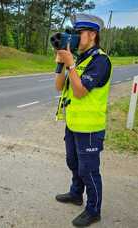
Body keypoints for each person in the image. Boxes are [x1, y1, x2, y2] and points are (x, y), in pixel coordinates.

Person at [54, 14, 112, 227]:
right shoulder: (80, 59)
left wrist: (70, 66)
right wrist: (61, 64)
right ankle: (76, 194)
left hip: (90, 128)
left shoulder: (100, 61)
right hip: (73, 123)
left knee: (88, 170)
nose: (75, 37)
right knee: (73, 163)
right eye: (74, 33)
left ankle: (94, 210)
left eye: (79, 33)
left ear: (92, 34)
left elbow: (79, 92)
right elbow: (60, 87)